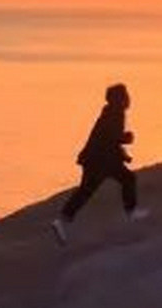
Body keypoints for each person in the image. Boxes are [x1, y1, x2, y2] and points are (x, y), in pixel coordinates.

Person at [52, 82, 147, 245]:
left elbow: (109, 139)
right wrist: (126, 139)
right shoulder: (114, 114)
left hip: (98, 159)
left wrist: (123, 153)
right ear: (118, 99)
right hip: (100, 161)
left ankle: (62, 220)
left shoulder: (111, 113)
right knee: (127, 179)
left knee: (86, 191)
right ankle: (131, 212)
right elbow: (110, 139)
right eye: (125, 96)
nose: (128, 100)